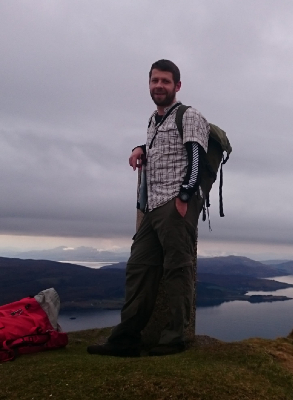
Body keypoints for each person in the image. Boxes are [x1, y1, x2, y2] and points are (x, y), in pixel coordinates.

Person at [88, 59, 209, 357]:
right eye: (155, 80)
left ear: (177, 86)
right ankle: (127, 338)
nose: (159, 86)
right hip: (153, 207)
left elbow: (197, 159)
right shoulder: (154, 120)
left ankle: (174, 338)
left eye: (165, 81)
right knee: (139, 268)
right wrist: (139, 148)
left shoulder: (189, 115)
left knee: (177, 270)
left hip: (174, 204)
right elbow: (160, 146)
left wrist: (183, 198)